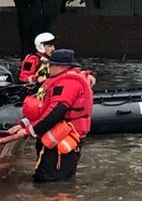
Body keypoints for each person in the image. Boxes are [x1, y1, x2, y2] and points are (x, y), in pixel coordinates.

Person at [6, 48, 93, 183]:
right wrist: (24, 124)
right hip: (56, 136)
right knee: (49, 177)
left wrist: (29, 131)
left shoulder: (68, 83)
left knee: (51, 180)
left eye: (51, 65)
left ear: (61, 66)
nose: (48, 68)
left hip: (63, 137)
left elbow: (56, 112)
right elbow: (44, 109)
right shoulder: (62, 79)